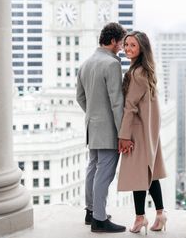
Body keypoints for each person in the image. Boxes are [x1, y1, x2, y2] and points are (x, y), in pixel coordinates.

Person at [76, 22, 128, 233]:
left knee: (93, 169)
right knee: (104, 174)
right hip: (109, 130)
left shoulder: (86, 63)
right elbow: (117, 102)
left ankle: (90, 212)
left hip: (92, 126)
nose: (122, 48)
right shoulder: (112, 64)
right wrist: (123, 132)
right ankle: (99, 218)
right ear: (114, 41)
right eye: (121, 43)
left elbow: (80, 97)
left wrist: (94, 114)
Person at [118, 31, 167, 235]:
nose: (128, 49)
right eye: (126, 45)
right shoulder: (147, 70)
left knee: (138, 175)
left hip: (137, 132)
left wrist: (123, 136)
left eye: (133, 46)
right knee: (150, 174)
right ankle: (160, 214)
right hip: (150, 132)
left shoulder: (136, 74)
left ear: (141, 49)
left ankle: (140, 218)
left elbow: (130, 107)